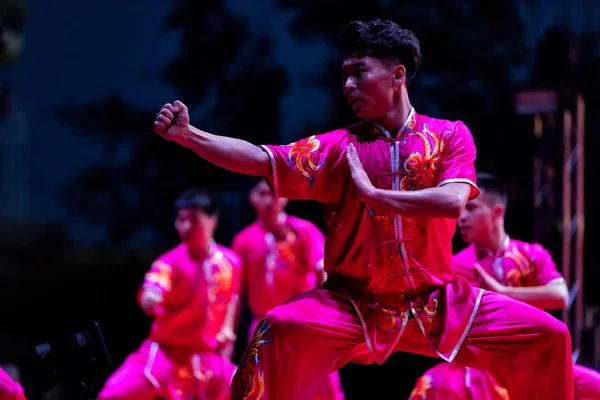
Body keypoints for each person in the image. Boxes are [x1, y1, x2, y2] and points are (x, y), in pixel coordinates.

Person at [153, 18, 573, 400]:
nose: (347, 85)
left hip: (442, 301)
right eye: (343, 76)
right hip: (353, 303)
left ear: (397, 75)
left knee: (549, 336)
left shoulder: (449, 136)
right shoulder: (337, 149)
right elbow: (261, 158)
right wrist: (191, 136)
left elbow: (451, 202)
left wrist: (376, 197)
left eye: (359, 72)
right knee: (275, 332)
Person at [409, 173, 600, 400]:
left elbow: (559, 295)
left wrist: (504, 293)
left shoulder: (531, 255)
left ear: (497, 212)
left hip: (535, 363)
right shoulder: (454, 266)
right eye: (461, 209)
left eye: (471, 208)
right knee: (430, 387)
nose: (462, 217)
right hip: (481, 367)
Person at [96, 190, 241, 400]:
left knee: (257, 391)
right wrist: (150, 296)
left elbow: (232, 298)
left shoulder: (230, 263)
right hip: (166, 356)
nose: (186, 227)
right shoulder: (169, 263)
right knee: (112, 396)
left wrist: (227, 331)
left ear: (212, 221)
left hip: (206, 360)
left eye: (193, 219)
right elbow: (155, 284)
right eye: (181, 220)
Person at [231, 179, 344, 400]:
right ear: (252, 198)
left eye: (273, 193)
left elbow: (323, 274)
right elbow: (235, 293)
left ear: (285, 197)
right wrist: (230, 333)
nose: (268, 200)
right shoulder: (243, 241)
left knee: (325, 390)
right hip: (264, 329)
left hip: (305, 325)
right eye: (261, 193)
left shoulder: (305, 232)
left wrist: (328, 318)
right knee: (261, 392)